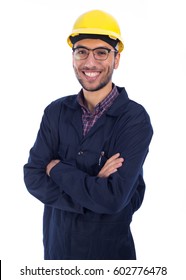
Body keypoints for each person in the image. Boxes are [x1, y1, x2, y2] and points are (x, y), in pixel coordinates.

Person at [23, 9, 153, 260]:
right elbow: (33, 177)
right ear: (73, 57)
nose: (90, 62)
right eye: (81, 51)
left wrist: (58, 170)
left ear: (116, 59)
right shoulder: (55, 112)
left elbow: (114, 199)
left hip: (109, 258)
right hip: (57, 254)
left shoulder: (134, 119)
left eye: (101, 52)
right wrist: (94, 188)